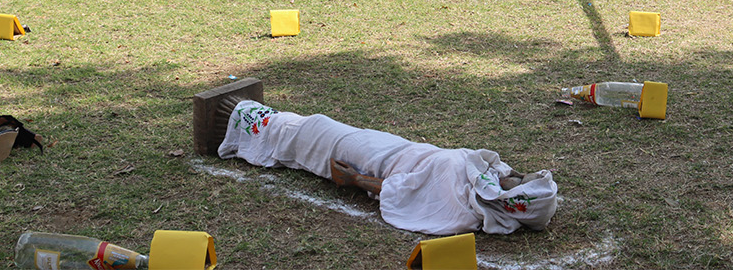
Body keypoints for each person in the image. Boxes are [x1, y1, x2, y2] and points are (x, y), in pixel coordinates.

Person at [218, 98, 558, 236]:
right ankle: (248, 116)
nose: (515, 173)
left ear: (513, 198)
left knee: (312, 132)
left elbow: (403, 190)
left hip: (375, 161)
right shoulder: (490, 175)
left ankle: (238, 119)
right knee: (318, 126)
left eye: (520, 179)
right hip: (393, 145)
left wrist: (354, 179)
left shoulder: (463, 203)